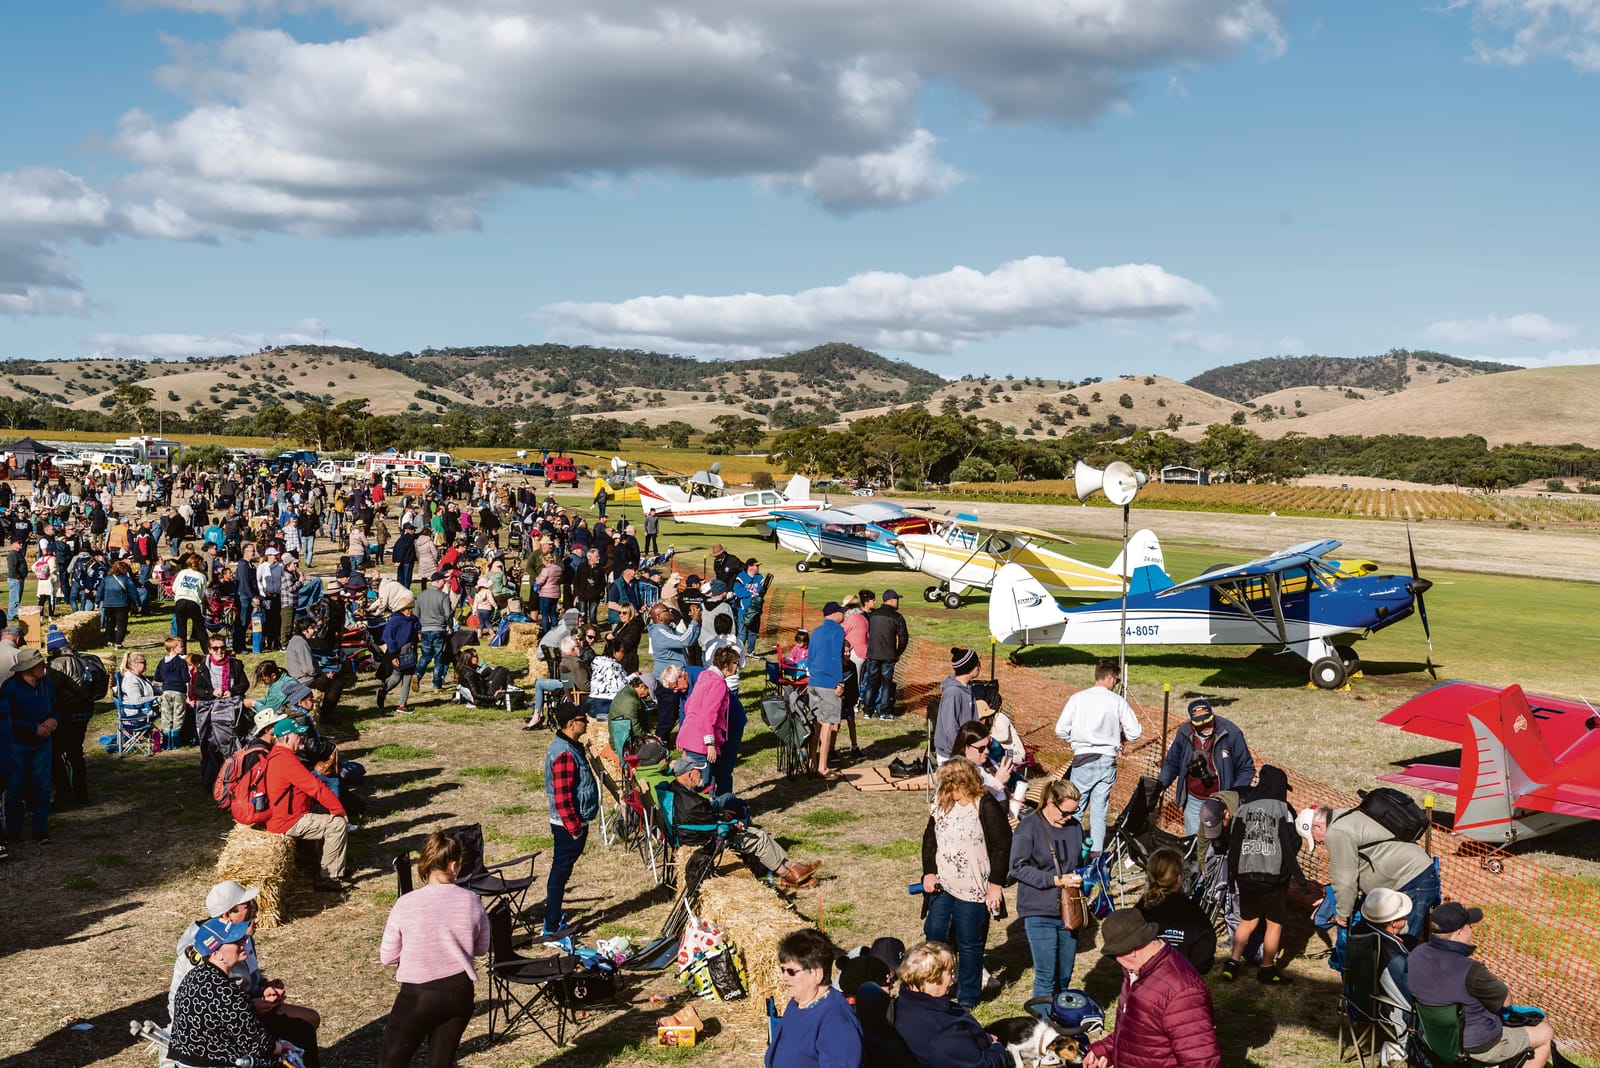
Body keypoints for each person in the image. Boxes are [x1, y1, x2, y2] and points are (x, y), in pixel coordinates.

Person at [169, 880, 322, 1064]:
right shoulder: (204, 956)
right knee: (299, 1034)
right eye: (247, 904)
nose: (253, 907)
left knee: (306, 1025)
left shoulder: (236, 940)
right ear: (227, 915)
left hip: (237, 1017)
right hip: (217, 1041)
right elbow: (255, 1041)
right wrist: (280, 1047)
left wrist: (263, 988)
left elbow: (242, 987)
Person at [378, 830, 490, 1068]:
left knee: (391, 1062)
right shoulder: (472, 900)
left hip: (419, 994)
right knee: (441, 1062)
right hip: (460, 992)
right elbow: (482, 948)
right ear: (453, 866)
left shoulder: (405, 904)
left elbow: (387, 956)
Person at [1408, 902, 1556, 1068]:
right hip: (1478, 1045)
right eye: (1469, 926)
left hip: (1435, 1040)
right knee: (1545, 1032)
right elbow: (1506, 1001)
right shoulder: (1470, 970)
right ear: (1459, 933)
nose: (1472, 930)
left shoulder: (1415, 955)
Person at [921, 758, 1011, 1010]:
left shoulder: (984, 805)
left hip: (974, 885)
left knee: (969, 940)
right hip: (944, 883)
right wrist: (929, 873)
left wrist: (995, 885)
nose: (944, 787)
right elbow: (930, 840)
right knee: (935, 933)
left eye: (948, 782)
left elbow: (1002, 846)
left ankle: (968, 996)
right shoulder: (941, 803)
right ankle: (935, 986)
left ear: (960, 782)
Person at [1083, 909, 1221, 1068]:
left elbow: (1201, 1063)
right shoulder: (1138, 973)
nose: (1116, 961)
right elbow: (1138, 1028)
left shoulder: (1183, 993)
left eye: (1115, 955)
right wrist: (1106, 1049)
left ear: (1130, 951)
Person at [661, 756, 821, 887]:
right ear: (689, 775)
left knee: (753, 829)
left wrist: (720, 813)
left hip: (694, 834)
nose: (702, 774)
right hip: (706, 840)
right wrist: (733, 826)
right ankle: (788, 875)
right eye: (699, 772)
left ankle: (793, 867)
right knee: (759, 838)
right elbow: (707, 826)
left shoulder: (676, 789)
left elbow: (701, 818)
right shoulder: (693, 803)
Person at [168, 918, 297, 1068]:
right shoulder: (224, 990)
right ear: (217, 953)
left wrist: (250, 1003)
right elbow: (258, 1044)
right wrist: (282, 1047)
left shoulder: (195, 975)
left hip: (187, 1061)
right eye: (234, 941)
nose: (243, 942)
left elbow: (224, 1012)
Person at [1303, 801, 1438, 940]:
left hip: (1412, 881)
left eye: (1314, 838)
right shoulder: (1346, 816)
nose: (1319, 843)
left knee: (1403, 941)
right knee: (1389, 940)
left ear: (1317, 826)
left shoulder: (1337, 832)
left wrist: (1343, 916)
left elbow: (1346, 880)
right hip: (1412, 877)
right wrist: (1331, 901)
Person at [1053, 658, 1142, 857]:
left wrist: (1076, 740)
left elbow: (1060, 729)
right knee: (1099, 812)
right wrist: (1121, 737)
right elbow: (1135, 732)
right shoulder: (1117, 701)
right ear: (1109, 677)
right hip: (1107, 761)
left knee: (1075, 807)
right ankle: (1096, 855)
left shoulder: (1077, 699)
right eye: (1116, 679)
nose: (1116, 683)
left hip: (1084, 759)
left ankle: (1070, 851)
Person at [1221, 765, 1299, 984]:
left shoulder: (1243, 809)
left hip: (1246, 874)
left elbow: (1232, 841)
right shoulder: (1284, 810)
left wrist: (1233, 876)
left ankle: (1232, 962)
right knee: (1274, 922)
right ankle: (1267, 969)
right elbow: (1293, 842)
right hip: (1274, 877)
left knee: (1248, 920)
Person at [1009, 779, 1086, 1000]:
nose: (1069, 817)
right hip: (1039, 910)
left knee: (1064, 976)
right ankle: (1042, 1019)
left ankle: (1060, 1016)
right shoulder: (1029, 826)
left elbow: (1077, 862)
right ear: (1051, 802)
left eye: (1074, 812)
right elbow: (1017, 867)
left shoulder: (1075, 827)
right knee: (1046, 976)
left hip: (1069, 911)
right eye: (1065, 812)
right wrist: (1054, 880)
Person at [263, 717, 352, 892]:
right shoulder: (286, 761)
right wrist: (338, 809)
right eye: (298, 736)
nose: (302, 739)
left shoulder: (278, 756)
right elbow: (315, 786)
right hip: (288, 820)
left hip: (287, 814)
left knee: (326, 813)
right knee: (337, 825)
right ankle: (329, 877)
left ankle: (320, 862)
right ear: (287, 738)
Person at [893, 941, 1013, 1068]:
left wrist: (983, 1037)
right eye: (950, 972)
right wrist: (997, 1048)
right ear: (931, 979)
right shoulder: (942, 1031)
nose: (953, 978)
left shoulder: (906, 1003)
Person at [765, 928, 863, 1068]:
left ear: (817, 974)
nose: (784, 977)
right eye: (783, 970)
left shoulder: (836, 1024)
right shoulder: (798, 1002)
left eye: (791, 971)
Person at [1156, 698, 1255, 836]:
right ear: (1192, 724)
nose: (1206, 726)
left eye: (1208, 722)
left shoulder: (1231, 733)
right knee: (1195, 843)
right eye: (1201, 725)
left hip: (1220, 802)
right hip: (1193, 801)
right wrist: (1161, 784)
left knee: (1218, 843)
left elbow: (1246, 768)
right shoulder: (1184, 732)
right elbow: (1172, 763)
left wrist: (1231, 799)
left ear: (1212, 716)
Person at [543, 703, 597, 937]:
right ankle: (551, 927)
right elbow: (562, 797)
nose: (587, 722)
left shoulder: (570, 747)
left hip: (570, 823)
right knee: (560, 874)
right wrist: (574, 828)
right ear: (571, 724)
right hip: (568, 826)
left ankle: (552, 919)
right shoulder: (564, 753)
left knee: (561, 872)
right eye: (583, 719)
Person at [1352, 887, 1414, 1067]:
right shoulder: (1393, 956)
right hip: (1388, 1011)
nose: (1407, 918)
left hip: (1361, 1001)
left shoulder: (1360, 932)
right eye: (1404, 916)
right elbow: (1408, 993)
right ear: (1393, 923)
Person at [3, 648, 57, 843]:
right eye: (39, 664)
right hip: (18, 745)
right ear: (27, 668)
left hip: (43, 744)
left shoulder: (46, 683)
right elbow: (7, 718)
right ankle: (13, 832)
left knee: (43, 787)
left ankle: (40, 830)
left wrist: (53, 719)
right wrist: (32, 728)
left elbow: (54, 705)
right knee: (15, 789)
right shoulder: (10, 688)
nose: (43, 666)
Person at [1138, 846, 1218, 976]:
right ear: (1179, 878)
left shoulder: (1139, 911)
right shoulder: (1194, 913)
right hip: (1181, 980)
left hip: (1144, 979)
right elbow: (1204, 958)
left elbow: (1122, 946)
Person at [675, 646, 740, 790]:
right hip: (700, 743)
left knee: (696, 783)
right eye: (736, 663)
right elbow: (709, 713)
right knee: (703, 785)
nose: (738, 667)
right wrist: (710, 744)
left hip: (689, 737)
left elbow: (688, 706)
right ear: (726, 665)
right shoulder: (718, 684)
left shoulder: (704, 676)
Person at [806, 601, 848, 777]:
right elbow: (836, 657)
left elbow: (810, 656)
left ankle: (812, 762)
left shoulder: (816, 631)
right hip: (828, 682)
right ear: (835, 613)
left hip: (813, 681)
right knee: (827, 724)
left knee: (816, 722)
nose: (843, 615)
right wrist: (840, 682)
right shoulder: (838, 631)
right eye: (842, 612)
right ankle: (823, 767)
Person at [861, 588, 908, 719]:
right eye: (897, 599)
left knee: (871, 683)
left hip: (873, 654)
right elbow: (903, 638)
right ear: (891, 600)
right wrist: (898, 652)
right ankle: (885, 712)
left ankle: (867, 710)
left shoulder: (873, 615)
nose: (898, 602)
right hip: (888, 655)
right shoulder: (897, 617)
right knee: (886, 684)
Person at [934, 647, 984, 761]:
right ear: (969, 668)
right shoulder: (953, 692)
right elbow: (950, 727)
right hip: (952, 754)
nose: (979, 667)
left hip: (966, 750)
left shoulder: (967, 688)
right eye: (978, 664)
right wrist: (964, 749)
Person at [376, 594, 420, 715]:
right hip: (398, 652)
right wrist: (393, 656)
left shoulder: (413, 619)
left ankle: (402, 705)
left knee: (408, 678)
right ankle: (383, 692)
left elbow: (417, 629)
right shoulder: (395, 621)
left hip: (411, 651)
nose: (409, 611)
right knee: (396, 678)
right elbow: (389, 638)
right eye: (407, 609)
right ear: (401, 610)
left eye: (410, 608)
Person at [415, 571, 454, 692]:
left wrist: (418, 629)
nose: (445, 582)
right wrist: (450, 626)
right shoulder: (444, 596)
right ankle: (437, 685)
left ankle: (417, 674)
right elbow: (448, 614)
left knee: (425, 656)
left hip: (424, 629)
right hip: (439, 629)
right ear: (437, 581)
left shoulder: (421, 595)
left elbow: (416, 614)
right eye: (443, 580)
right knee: (439, 658)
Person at [153, 636, 191, 751]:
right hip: (179, 691)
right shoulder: (181, 662)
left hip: (166, 691)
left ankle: (166, 742)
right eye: (181, 646)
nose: (183, 648)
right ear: (173, 648)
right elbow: (186, 678)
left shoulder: (162, 662)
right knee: (178, 716)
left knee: (166, 716)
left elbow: (157, 677)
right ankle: (175, 742)